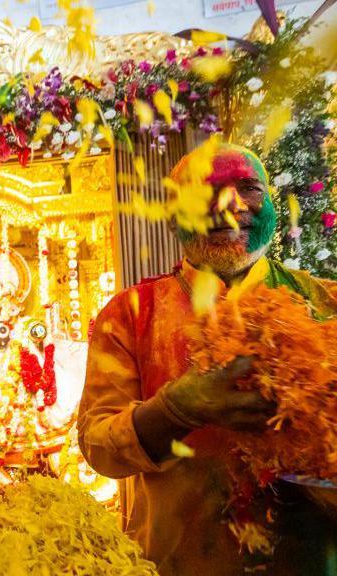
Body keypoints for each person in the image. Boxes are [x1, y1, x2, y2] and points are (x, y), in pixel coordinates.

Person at [78, 140, 337, 575]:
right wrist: (176, 409)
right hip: (180, 561)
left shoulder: (325, 302)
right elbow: (98, 447)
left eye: (249, 188)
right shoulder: (129, 313)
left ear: (270, 202)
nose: (228, 204)